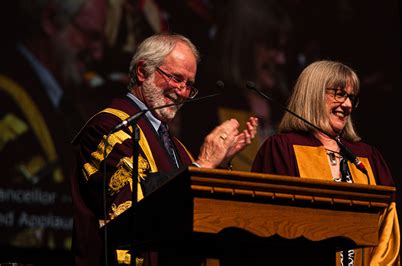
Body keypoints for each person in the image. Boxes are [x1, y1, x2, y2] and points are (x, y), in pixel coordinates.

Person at [70, 33, 258, 266]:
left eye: (189, 85)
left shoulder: (176, 146)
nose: (182, 92)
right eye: (176, 78)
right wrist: (203, 165)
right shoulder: (110, 128)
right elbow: (134, 206)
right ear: (142, 71)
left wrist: (216, 166)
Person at [252, 60, 400, 265]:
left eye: (351, 98)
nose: (347, 105)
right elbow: (269, 226)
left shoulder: (367, 157)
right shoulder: (283, 150)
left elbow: (387, 231)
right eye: (339, 94)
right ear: (313, 94)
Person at [0, 0, 107, 256]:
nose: (98, 54)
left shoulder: (68, 101)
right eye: (90, 36)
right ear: (50, 21)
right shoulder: (7, 96)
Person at [180, 0, 292, 172]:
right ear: (244, 46)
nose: (280, 59)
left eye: (283, 49)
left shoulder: (284, 105)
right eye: (272, 47)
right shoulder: (208, 103)